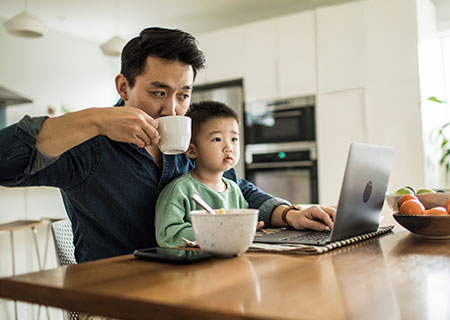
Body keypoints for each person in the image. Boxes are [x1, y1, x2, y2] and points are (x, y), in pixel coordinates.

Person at [0, 27, 336, 263]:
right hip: (117, 297)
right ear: (123, 86)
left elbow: (231, 187)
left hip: (192, 282)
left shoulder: (187, 143)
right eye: (158, 92)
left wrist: (288, 214)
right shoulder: (89, 144)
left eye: (183, 95)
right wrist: (94, 120)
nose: (171, 109)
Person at [155, 101, 251, 247]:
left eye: (234, 139)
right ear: (192, 150)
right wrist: (214, 231)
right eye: (217, 139)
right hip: (191, 265)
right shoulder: (180, 190)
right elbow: (168, 235)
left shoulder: (234, 190)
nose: (229, 147)